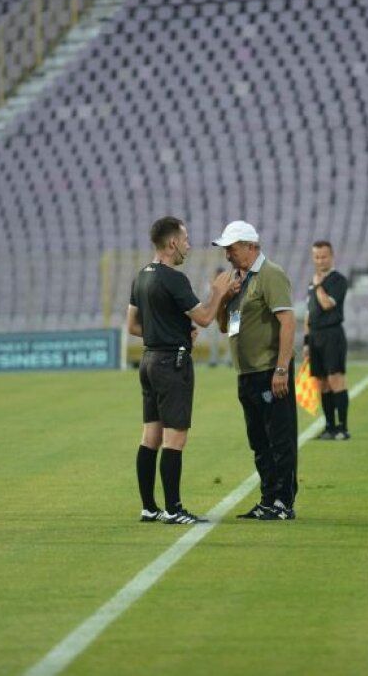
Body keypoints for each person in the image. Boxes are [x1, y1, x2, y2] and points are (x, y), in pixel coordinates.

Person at [127, 217, 235, 524]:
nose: (188, 244)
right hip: (171, 365)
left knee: (150, 436)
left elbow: (133, 325)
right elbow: (203, 317)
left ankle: (150, 507)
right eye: (185, 239)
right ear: (172, 243)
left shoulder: (141, 277)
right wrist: (218, 292)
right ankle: (173, 510)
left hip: (149, 361)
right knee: (175, 439)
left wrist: (168, 332)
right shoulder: (174, 278)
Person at [213, 220, 299, 521]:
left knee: (280, 439)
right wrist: (223, 296)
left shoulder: (270, 274)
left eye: (232, 249)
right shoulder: (236, 279)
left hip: (268, 371)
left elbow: (288, 322)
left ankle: (283, 503)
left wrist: (281, 369)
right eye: (226, 249)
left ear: (251, 247)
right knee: (259, 442)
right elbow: (224, 326)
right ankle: (267, 499)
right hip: (246, 373)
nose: (227, 255)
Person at [304, 241, 351, 440]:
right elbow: (309, 313)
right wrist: (306, 341)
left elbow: (326, 305)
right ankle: (329, 426)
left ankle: (343, 428)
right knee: (321, 382)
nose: (320, 260)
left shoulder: (338, 280)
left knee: (335, 379)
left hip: (332, 334)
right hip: (315, 336)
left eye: (324, 256)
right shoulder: (312, 282)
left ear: (331, 257)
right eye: (316, 257)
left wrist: (317, 286)